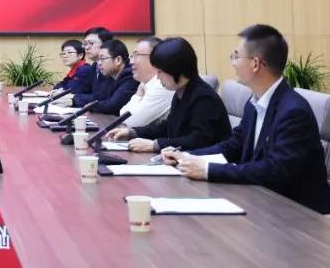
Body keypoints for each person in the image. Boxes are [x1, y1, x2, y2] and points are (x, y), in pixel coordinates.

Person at [163, 25, 330, 214]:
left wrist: (208, 170)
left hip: (298, 215)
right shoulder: (254, 103)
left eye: (236, 56)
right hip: (262, 202)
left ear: (255, 63)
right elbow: (234, 145)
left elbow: (274, 171)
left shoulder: (293, 112)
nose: (233, 63)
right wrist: (187, 156)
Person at [107, 37, 231, 152]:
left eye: (160, 71)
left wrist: (156, 145)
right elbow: (168, 127)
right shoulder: (181, 91)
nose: (157, 76)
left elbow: (197, 140)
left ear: (177, 70)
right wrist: (133, 133)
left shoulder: (204, 98)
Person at [118, 36, 172, 129]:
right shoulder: (146, 84)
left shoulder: (162, 84)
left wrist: (138, 95)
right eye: (132, 56)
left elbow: (132, 121)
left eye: (136, 55)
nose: (131, 62)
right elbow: (122, 115)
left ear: (155, 58)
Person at [73, 39, 138, 114]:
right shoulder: (110, 75)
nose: (99, 63)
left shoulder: (130, 77)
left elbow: (112, 105)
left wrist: (91, 106)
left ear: (118, 60)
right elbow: (100, 97)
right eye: (98, 59)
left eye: (102, 59)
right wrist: (74, 99)